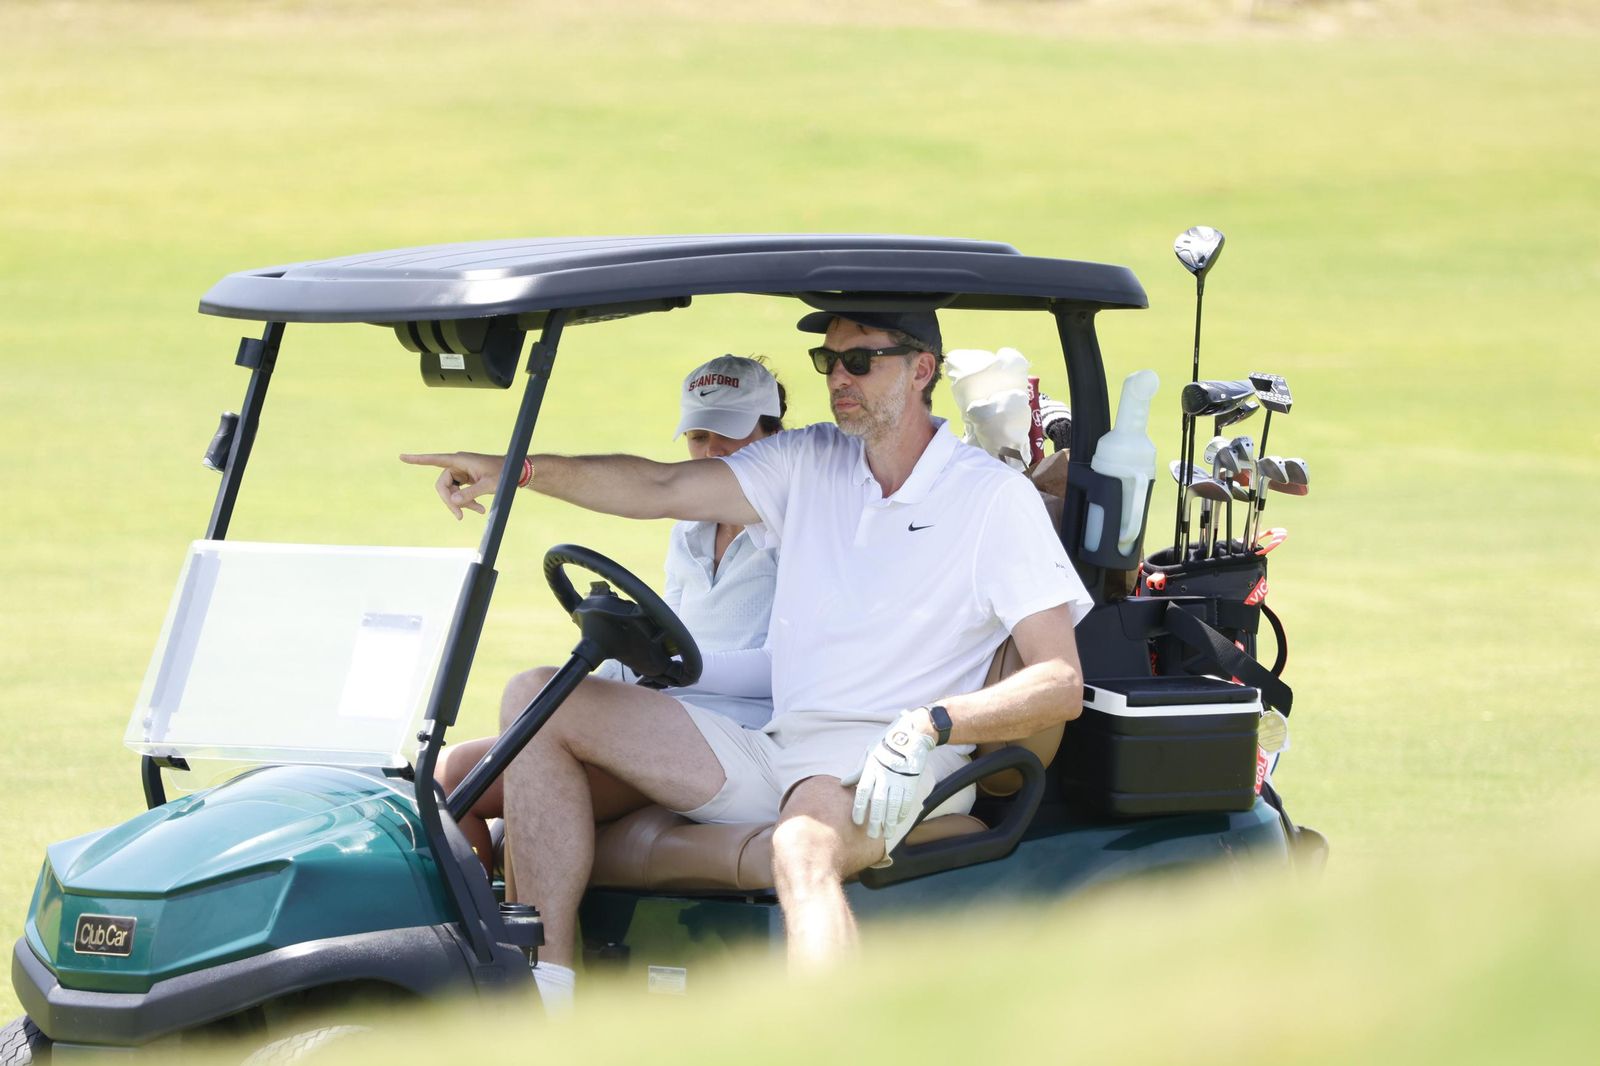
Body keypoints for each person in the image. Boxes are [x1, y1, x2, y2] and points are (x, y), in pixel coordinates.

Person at [400, 309, 1092, 1007]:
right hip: (777, 746)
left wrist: (933, 723)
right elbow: (661, 488)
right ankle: (548, 997)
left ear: (921, 370)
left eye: (860, 363)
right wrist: (514, 471)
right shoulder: (811, 460)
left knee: (801, 843)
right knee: (535, 697)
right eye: (829, 363)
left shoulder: (993, 499)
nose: (838, 380)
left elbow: (1060, 682)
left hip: (896, 758)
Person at [436, 355, 787, 874]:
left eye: (731, 434)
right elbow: (679, 634)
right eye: (698, 436)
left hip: (733, 736)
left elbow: (783, 667)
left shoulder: (797, 530)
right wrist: (627, 663)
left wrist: (662, 665)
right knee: (448, 773)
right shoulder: (689, 530)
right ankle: (485, 931)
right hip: (664, 713)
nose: (712, 451)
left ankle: (513, 940)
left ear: (777, 435)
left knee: (489, 775)